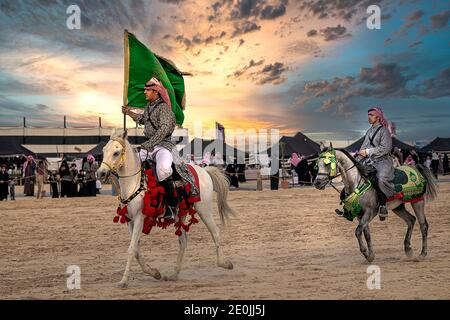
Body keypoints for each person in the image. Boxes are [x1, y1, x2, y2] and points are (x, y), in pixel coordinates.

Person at [122, 77, 198, 220]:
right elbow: (142, 119)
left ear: (156, 92)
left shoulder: (165, 109)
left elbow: (164, 130)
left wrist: (150, 143)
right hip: (149, 146)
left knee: (163, 170)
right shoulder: (149, 107)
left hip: (164, 146)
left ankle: (171, 205)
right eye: (145, 89)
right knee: (132, 166)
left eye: (147, 90)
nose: (145, 92)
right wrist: (128, 112)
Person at [355, 106, 395, 220]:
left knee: (381, 178)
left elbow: (385, 148)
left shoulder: (384, 131)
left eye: (371, 115)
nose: (369, 117)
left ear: (377, 117)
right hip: (370, 162)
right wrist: (355, 161)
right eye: (368, 115)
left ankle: (382, 205)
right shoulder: (368, 131)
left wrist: (368, 152)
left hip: (383, 162)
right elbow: (363, 148)